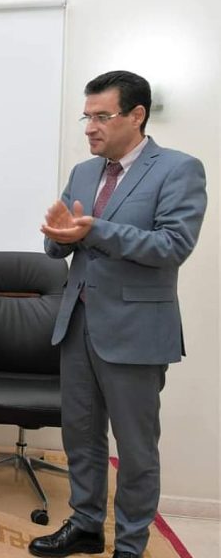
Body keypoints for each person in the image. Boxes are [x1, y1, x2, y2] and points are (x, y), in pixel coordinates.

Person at [30, 71, 207, 558]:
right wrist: (57, 233)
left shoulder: (178, 169)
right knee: (81, 438)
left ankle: (130, 544)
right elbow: (56, 245)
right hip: (79, 324)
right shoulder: (84, 173)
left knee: (135, 449)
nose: (90, 127)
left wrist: (93, 230)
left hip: (136, 331)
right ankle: (86, 524)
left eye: (102, 116)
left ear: (137, 115)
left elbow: (173, 245)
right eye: (87, 116)